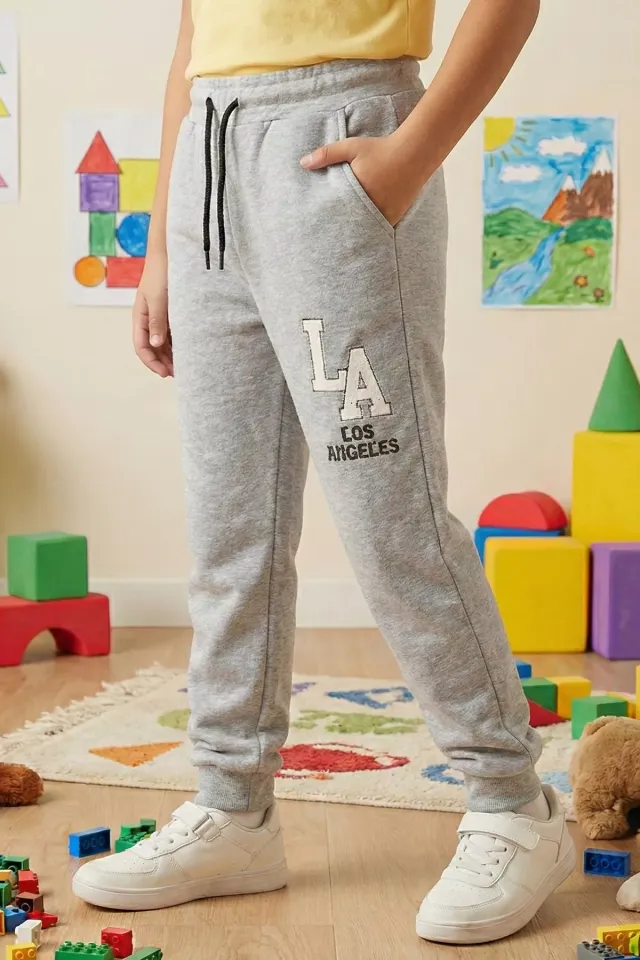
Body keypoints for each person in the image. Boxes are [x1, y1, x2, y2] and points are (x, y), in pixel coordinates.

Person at [73, 0, 575, 943]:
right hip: (207, 169)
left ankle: (514, 803)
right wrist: (162, 242)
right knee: (231, 526)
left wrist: (407, 158)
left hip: (339, 142)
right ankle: (233, 806)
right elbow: (195, 33)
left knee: (392, 518)